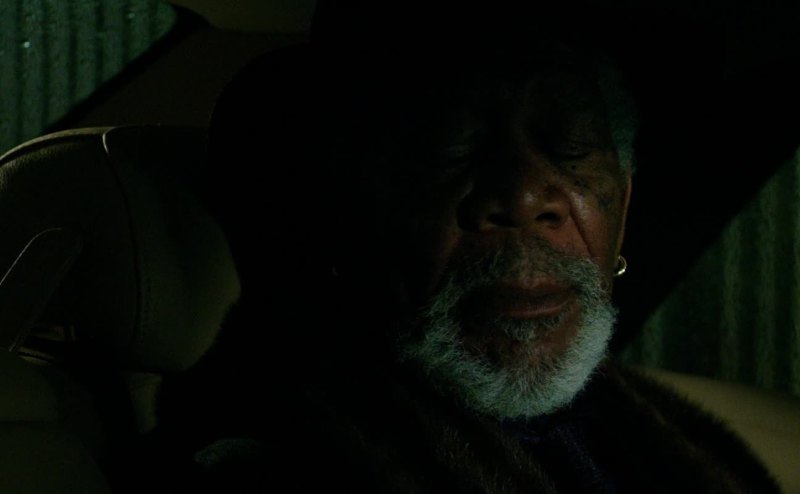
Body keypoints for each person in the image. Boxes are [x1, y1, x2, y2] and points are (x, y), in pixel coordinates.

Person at [154, 3, 781, 493]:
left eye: (569, 147)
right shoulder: (274, 463)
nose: (525, 195)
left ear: (623, 206)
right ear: (349, 203)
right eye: (449, 147)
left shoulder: (649, 430)